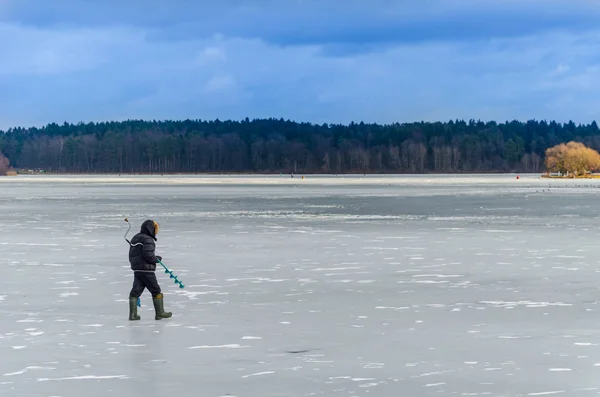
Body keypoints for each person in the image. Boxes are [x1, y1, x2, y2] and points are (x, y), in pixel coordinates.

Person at [127, 219, 172, 321]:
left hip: (137, 270)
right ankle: (160, 313)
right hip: (147, 271)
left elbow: (133, 254)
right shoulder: (148, 239)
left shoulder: (135, 238)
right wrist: (157, 259)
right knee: (156, 290)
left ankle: (133, 315)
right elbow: (148, 255)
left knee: (135, 292)